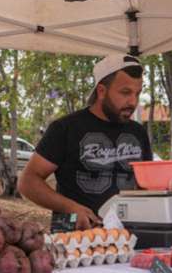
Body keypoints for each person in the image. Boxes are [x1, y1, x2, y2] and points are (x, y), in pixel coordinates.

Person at [18, 54, 153, 229]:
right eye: (125, 92)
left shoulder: (138, 132)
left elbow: (147, 186)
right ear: (102, 91)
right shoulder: (65, 128)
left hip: (127, 240)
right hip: (74, 242)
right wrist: (70, 207)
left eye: (138, 93)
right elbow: (27, 181)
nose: (133, 102)